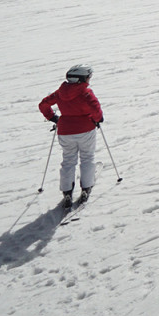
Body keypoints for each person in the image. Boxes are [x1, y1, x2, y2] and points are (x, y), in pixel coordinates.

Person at [39, 64, 103, 208]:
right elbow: (95, 108)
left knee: (68, 160)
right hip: (86, 130)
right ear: (82, 79)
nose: (89, 79)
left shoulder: (60, 92)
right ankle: (86, 187)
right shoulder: (85, 92)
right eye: (88, 77)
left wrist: (53, 118)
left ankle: (67, 190)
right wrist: (98, 119)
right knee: (87, 157)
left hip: (65, 131)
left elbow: (43, 104)